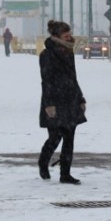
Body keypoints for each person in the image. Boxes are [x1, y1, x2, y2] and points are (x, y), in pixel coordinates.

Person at [37, 20, 86, 185]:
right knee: (55, 137)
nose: (70, 38)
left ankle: (65, 173)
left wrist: (80, 98)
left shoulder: (68, 52)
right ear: (56, 36)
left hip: (70, 100)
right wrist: (49, 104)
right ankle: (43, 162)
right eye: (66, 35)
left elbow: (73, 78)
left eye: (70, 34)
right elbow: (46, 81)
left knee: (69, 138)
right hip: (55, 101)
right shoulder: (47, 55)